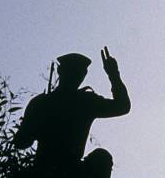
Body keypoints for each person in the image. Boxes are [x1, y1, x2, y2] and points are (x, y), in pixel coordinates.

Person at [13, 47, 130, 177]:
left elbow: (21, 142)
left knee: (101, 158)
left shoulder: (41, 102)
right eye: (78, 72)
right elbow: (122, 106)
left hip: (47, 169)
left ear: (59, 71)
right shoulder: (85, 102)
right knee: (102, 158)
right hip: (63, 171)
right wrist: (113, 74)